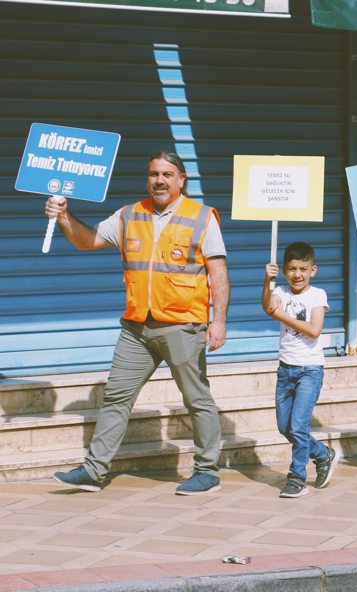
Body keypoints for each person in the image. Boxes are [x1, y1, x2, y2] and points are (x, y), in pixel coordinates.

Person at [49, 150, 228, 495]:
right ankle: (94, 470)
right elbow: (88, 241)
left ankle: (208, 472)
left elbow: (218, 272)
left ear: (181, 179)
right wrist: (64, 215)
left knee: (197, 399)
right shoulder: (130, 214)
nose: (159, 180)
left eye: (167, 174)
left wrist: (218, 321)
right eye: (153, 174)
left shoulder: (202, 217)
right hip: (136, 328)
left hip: (183, 325)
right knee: (116, 397)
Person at [262, 241, 338, 498]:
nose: (297, 274)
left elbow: (314, 330)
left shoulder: (318, 295)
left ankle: (297, 478)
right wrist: (267, 281)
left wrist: (280, 315)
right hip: (285, 370)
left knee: (298, 426)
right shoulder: (280, 291)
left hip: (310, 370)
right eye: (292, 269)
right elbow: (267, 306)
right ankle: (322, 453)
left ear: (313, 270)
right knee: (286, 427)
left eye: (303, 269)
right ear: (284, 270)